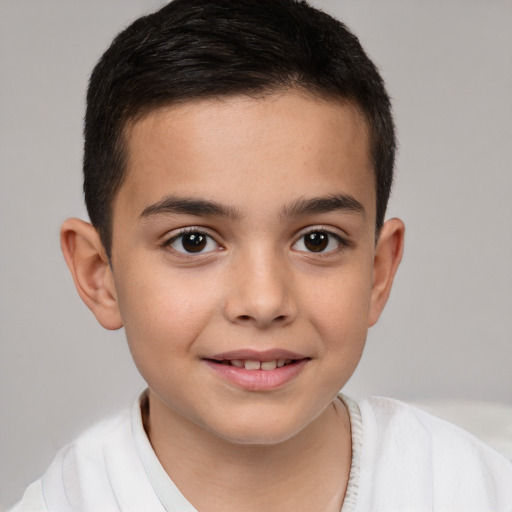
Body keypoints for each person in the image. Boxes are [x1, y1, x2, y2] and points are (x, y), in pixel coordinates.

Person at [9, 0, 512, 511]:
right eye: (193, 241)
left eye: (317, 240)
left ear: (378, 273)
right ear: (100, 275)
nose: (264, 300)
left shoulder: (476, 491)